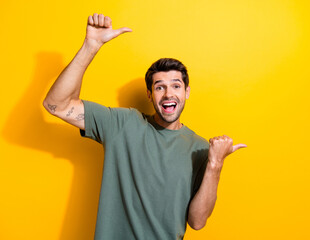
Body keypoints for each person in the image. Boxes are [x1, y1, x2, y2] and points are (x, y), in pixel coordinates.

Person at [43, 13, 246, 240]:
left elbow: (197, 222)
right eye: (160, 87)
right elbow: (55, 104)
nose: (169, 93)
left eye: (176, 86)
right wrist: (90, 46)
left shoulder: (200, 149)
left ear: (186, 92)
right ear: (150, 94)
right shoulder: (122, 124)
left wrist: (215, 164)